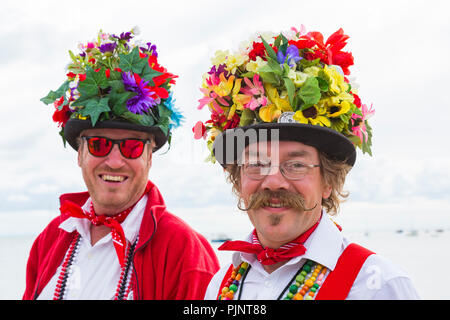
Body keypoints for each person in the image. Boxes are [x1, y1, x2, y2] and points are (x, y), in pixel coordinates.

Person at [194, 26, 419, 300]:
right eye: (256, 164)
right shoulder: (219, 286)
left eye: (296, 165)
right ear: (239, 179)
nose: (273, 181)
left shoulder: (379, 286)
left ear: (328, 181)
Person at [23, 29, 219, 300]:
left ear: (149, 157)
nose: (114, 162)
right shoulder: (50, 240)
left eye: (132, 146)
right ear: (79, 153)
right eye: (99, 144)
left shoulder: (185, 252)